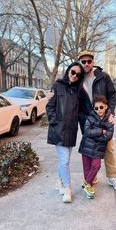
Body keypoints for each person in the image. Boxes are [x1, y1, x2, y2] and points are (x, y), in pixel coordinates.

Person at [78, 50, 116, 191]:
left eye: (89, 61)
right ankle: (92, 176)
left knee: (108, 148)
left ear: (93, 62)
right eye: (83, 61)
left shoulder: (103, 77)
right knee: (89, 149)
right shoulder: (77, 79)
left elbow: (112, 95)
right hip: (87, 119)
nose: (86, 64)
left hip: (103, 117)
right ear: (80, 62)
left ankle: (112, 177)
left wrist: (111, 113)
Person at [46, 62, 84, 203]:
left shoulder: (78, 90)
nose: (75, 76)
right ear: (69, 70)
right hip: (58, 129)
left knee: (64, 160)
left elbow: (81, 110)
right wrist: (55, 122)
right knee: (65, 160)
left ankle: (59, 182)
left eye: (78, 75)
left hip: (71, 130)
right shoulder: (57, 86)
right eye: (73, 72)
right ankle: (67, 188)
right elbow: (50, 106)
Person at [79, 95, 114, 199]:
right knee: (87, 168)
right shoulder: (90, 117)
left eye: (101, 107)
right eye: (96, 108)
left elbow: (108, 136)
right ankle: (88, 187)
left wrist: (94, 135)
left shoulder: (110, 121)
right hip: (86, 147)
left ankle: (86, 184)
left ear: (106, 106)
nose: (99, 110)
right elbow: (86, 131)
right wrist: (101, 131)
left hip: (98, 148)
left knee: (96, 165)